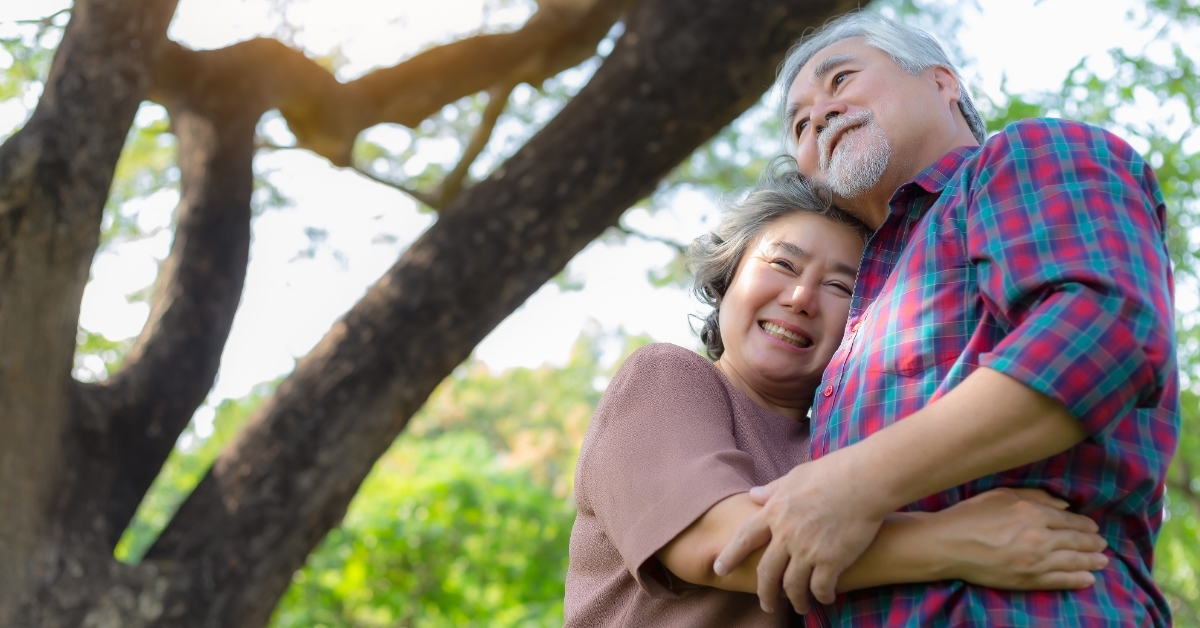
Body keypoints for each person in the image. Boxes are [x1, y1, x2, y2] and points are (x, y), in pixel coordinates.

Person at [713, 12, 1180, 627]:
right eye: (799, 124)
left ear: (943, 83)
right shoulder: (850, 317)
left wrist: (853, 483)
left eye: (841, 79)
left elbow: (1099, 331)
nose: (819, 115)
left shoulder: (1026, 157)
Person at [564, 161, 1110, 627]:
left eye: (841, 288)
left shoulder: (849, 445)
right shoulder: (666, 378)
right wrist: (958, 543)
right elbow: (721, 546)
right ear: (728, 277)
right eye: (782, 264)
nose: (801, 297)